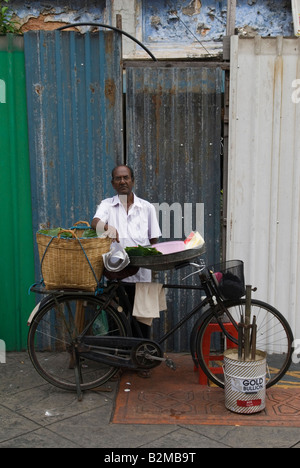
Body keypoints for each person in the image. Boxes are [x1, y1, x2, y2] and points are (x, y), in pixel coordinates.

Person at [91, 164, 161, 338]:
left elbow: (153, 239)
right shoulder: (107, 205)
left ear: (132, 181)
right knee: (117, 323)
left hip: (142, 276)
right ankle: (118, 361)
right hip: (117, 275)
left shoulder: (147, 208)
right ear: (113, 183)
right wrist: (108, 228)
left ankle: (139, 359)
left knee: (142, 323)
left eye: (126, 177)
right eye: (118, 178)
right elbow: (95, 223)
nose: (122, 181)